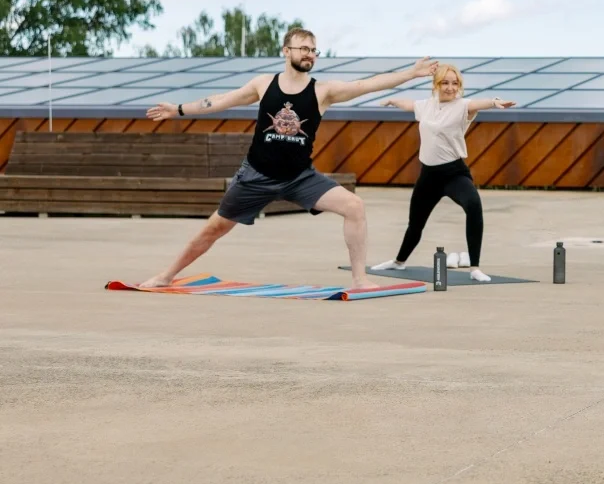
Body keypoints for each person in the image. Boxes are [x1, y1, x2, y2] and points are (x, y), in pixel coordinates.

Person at [139, 28, 436, 291]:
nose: (309, 54)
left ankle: (360, 279)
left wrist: (411, 73)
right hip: (256, 176)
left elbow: (367, 85)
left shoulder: (323, 91)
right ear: (286, 51)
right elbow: (219, 101)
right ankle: (167, 275)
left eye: (313, 50)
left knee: (354, 206)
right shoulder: (263, 84)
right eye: (303, 48)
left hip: (300, 178)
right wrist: (178, 109)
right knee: (214, 228)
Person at [368, 64, 515, 282]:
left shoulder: (463, 106)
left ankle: (474, 268)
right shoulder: (427, 105)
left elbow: (478, 103)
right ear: (436, 85)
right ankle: (399, 262)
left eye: (455, 83)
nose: (450, 87)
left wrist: (494, 101)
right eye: (445, 83)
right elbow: (409, 105)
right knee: (415, 223)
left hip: (454, 173)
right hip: (428, 176)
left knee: (473, 206)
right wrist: (392, 100)